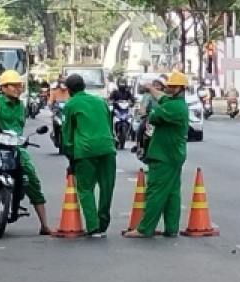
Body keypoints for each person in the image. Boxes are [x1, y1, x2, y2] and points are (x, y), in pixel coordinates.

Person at [0, 70, 54, 235]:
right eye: (13, 85)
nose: (17, 88)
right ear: (3, 88)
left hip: (16, 147)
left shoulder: (21, 106)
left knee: (31, 176)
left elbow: (18, 130)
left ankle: (44, 224)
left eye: (19, 85)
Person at [123, 71, 190, 238]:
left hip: (164, 156)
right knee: (172, 193)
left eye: (172, 87)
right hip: (174, 154)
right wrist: (150, 89)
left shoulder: (173, 108)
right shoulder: (177, 103)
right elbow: (162, 97)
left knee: (155, 192)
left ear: (180, 89)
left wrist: (146, 109)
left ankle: (144, 229)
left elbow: (152, 116)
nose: (168, 89)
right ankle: (171, 228)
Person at [60, 73, 117, 236]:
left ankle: (94, 226)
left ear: (69, 90)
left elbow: (67, 134)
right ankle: (104, 222)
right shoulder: (101, 102)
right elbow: (108, 124)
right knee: (107, 187)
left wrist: (70, 156)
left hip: (85, 151)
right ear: (84, 86)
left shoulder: (71, 105)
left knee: (85, 188)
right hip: (107, 148)